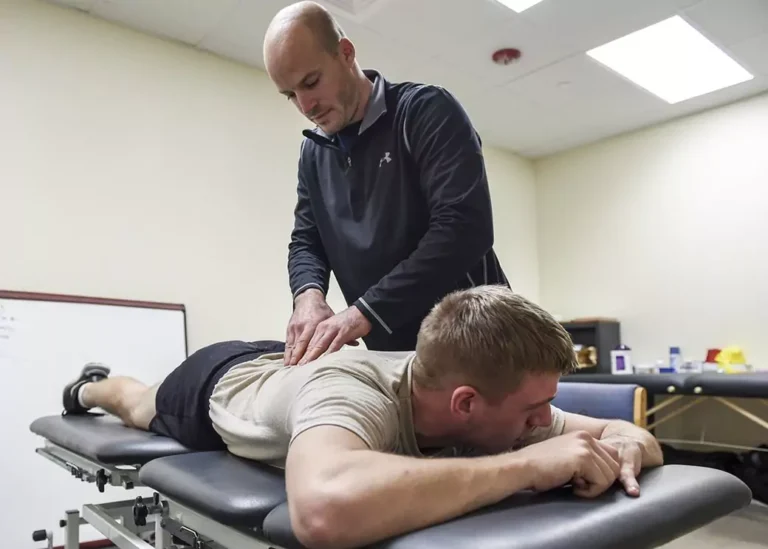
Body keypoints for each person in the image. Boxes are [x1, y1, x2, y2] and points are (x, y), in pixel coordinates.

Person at [61, 285, 663, 549]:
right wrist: (525, 465)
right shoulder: (353, 393)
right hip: (221, 383)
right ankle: (90, 384)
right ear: (466, 405)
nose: (544, 423)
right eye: (533, 413)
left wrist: (629, 442)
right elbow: (323, 511)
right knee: (136, 403)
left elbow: (629, 434)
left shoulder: (494, 398)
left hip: (288, 374)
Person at [262, 1, 511, 366]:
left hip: (481, 343)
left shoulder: (424, 111)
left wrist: (362, 312)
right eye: (290, 95)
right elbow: (306, 240)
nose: (305, 105)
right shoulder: (313, 154)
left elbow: (463, 229)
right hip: (396, 358)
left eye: (311, 82)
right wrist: (308, 296)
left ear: (346, 53)